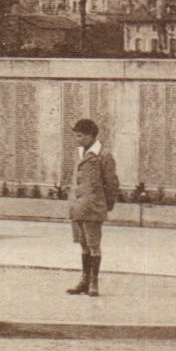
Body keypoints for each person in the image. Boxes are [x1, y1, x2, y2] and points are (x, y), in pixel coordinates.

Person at [66, 118, 120, 296]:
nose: (77, 139)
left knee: (94, 245)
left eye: (80, 136)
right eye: (76, 136)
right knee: (83, 245)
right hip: (78, 208)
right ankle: (84, 279)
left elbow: (112, 183)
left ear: (91, 136)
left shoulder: (103, 156)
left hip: (93, 208)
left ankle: (93, 282)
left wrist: (106, 205)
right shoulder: (79, 152)